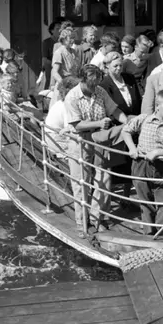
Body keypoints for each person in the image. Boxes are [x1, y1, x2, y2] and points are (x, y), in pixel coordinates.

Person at [64, 65, 129, 233]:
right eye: (91, 84)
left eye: (96, 83)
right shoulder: (72, 97)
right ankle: (82, 222)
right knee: (81, 182)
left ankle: (97, 218)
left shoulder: (100, 91)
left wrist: (127, 123)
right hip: (80, 141)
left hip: (100, 139)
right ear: (82, 80)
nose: (94, 87)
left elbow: (114, 110)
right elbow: (76, 125)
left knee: (104, 178)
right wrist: (99, 123)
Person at [123, 88, 163, 235]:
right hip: (141, 165)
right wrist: (132, 148)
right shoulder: (144, 119)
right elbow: (126, 131)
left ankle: (162, 234)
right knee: (146, 202)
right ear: (158, 106)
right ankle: (148, 234)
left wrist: (158, 152)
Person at [45, 76, 80, 156]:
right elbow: (70, 128)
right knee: (78, 149)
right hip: (55, 138)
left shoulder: (60, 103)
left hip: (49, 135)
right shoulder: (67, 106)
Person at [100, 51, 142, 116]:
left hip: (136, 117)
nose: (119, 68)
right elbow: (109, 110)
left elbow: (138, 99)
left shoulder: (130, 78)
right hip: (118, 120)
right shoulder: (104, 84)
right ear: (108, 66)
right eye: (115, 66)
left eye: (121, 65)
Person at [42, 20, 61, 89]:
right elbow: (45, 59)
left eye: (61, 29)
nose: (59, 31)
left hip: (62, 67)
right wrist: (55, 64)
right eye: (57, 29)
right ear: (52, 31)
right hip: (50, 66)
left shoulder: (63, 42)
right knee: (49, 83)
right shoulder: (46, 42)